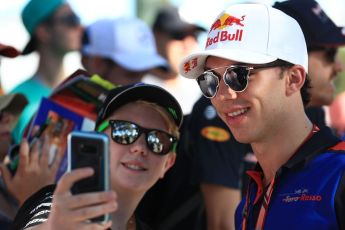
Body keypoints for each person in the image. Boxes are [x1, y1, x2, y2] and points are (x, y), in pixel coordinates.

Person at [179, 3, 345, 229]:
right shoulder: (248, 202)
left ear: (293, 79)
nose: (223, 95)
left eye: (239, 75)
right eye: (209, 81)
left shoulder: (339, 172)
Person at [10, 83, 183, 230]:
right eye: (123, 130)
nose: (139, 147)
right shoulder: (58, 203)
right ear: (97, 141)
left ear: (168, 163)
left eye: (157, 139)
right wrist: (53, 226)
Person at [10, 0, 83, 144]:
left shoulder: (85, 91)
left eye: (78, 19)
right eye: (71, 20)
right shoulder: (15, 101)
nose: (80, 27)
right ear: (43, 31)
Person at [273, 0, 345, 128]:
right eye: (330, 53)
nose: (339, 67)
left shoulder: (314, 118)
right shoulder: (233, 133)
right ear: (292, 59)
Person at [143, 6, 205, 114]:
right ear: (155, 36)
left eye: (195, 36)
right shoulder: (136, 87)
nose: (188, 44)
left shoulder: (203, 90)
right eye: (179, 35)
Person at [81, 17, 168, 86]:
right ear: (98, 63)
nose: (141, 85)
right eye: (132, 75)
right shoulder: (69, 106)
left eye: (144, 74)